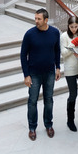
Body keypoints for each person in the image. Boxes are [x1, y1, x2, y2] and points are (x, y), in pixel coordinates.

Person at [20, 8, 61, 141]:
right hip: (34, 74)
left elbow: (57, 50)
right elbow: (23, 55)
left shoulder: (55, 33)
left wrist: (58, 68)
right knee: (32, 101)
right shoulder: (29, 34)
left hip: (49, 72)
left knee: (49, 100)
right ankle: (32, 127)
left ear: (46, 20)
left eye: (39, 19)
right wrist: (26, 75)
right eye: (35, 18)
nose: (36, 21)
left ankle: (48, 125)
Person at [60, 16, 78, 131]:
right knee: (73, 95)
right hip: (70, 69)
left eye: (76, 27)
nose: (74, 29)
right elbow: (64, 53)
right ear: (68, 26)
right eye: (72, 27)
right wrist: (73, 45)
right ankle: (70, 120)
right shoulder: (64, 36)